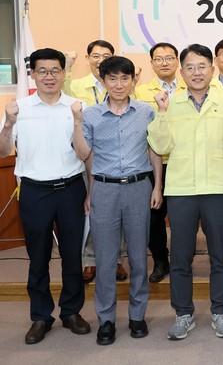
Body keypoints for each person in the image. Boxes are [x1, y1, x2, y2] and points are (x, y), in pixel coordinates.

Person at [0, 48, 91, 344]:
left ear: (64, 73)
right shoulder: (18, 108)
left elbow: (86, 154)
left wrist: (77, 122)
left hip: (71, 189)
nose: (49, 76)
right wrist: (9, 123)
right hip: (35, 191)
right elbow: (1, 151)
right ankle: (40, 316)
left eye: (55, 70)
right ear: (33, 74)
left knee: (72, 255)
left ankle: (71, 311)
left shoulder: (77, 107)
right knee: (38, 257)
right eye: (42, 71)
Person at [147, 44, 223, 340]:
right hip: (182, 189)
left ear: (212, 70)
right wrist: (162, 114)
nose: (196, 72)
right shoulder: (169, 104)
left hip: (217, 188)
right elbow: (160, 146)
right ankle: (183, 313)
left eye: (202, 66)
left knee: (221, 255)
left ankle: (221, 312)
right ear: (181, 71)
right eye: (190, 67)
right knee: (180, 257)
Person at [71, 56, 163, 345]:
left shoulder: (146, 112)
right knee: (106, 259)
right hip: (105, 189)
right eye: (112, 78)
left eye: (125, 78)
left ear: (133, 80)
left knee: (138, 257)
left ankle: (137, 316)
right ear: (103, 81)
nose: (119, 84)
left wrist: (158, 187)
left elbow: (155, 151)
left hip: (138, 187)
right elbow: (83, 154)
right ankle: (106, 320)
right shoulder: (91, 115)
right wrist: (77, 122)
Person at [64, 39, 128, 283]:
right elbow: (65, 104)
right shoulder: (76, 85)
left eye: (106, 56)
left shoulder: (119, 83)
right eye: (96, 56)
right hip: (86, 156)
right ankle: (89, 260)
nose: (101, 60)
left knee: (119, 211)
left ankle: (118, 259)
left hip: (117, 156)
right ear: (88, 58)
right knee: (92, 210)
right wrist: (67, 68)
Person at [133, 42, 186, 283]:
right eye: (159, 59)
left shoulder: (190, 87)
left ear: (177, 61)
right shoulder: (141, 92)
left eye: (169, 58)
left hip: (182, 161)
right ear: (152, 63)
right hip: (153, 161)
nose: (164, 63)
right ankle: (160, 260)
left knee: (181, 215)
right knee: (154, 216)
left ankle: (182, 259)